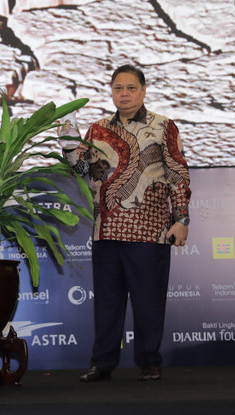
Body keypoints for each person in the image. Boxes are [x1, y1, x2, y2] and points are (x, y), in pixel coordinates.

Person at [63, 65, 191, 382]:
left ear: (143, 90)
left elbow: (178, 174)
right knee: (107, 303)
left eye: (131, 88)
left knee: (148, 302)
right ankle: (103, 363)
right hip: (105, 230)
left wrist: (182, 219)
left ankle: (149, 360)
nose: (124, 94)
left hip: (151, 230)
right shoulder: (97, 130)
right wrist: (69, 149)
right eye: (118, 88)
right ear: (111, 91)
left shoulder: (163, 127)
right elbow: (79, 172)